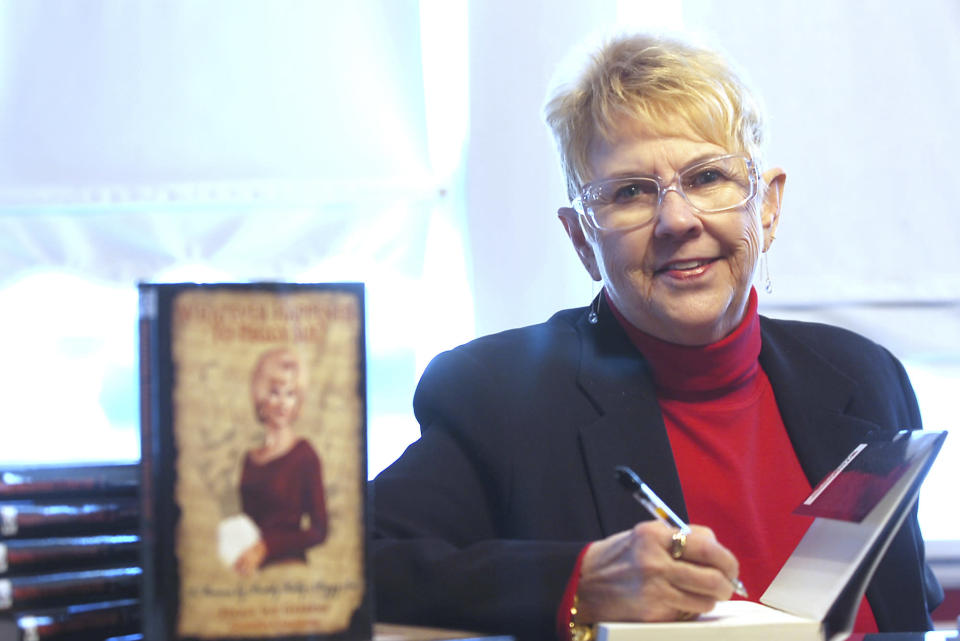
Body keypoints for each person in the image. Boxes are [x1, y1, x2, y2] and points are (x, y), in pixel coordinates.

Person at [371, 33, 943, 640]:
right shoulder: (502, 397)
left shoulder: (865, 376)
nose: (677, 220)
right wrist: (579, 585)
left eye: (707, 178)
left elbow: (909, 611)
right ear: (581, 240)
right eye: (630, 193)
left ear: (767, 207)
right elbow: (342, 568)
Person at [233, 346, 327, 575]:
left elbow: (318, 530)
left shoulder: (304, 455)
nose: (283, 402)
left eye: (291, 393)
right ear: (262, 395)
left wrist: (267, 546)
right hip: (252, 572)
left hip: (290, 571)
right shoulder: (250, 459)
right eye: (275, 392)